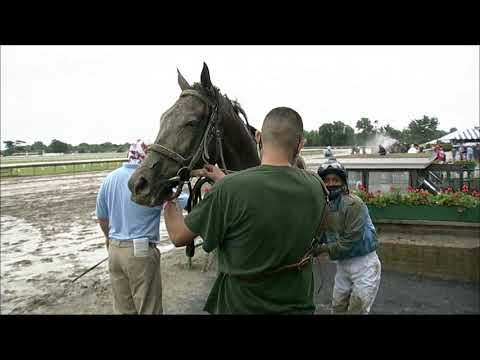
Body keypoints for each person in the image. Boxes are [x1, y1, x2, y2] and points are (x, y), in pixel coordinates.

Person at [163, 107, 328, 314]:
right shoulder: (317, 186)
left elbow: (179, 236)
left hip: (240, 307)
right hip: (298, 306)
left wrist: (168, 198)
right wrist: (226, 181)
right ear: (301, 143)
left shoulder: (229, 190)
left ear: (258, 137)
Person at [96, 139, 187, 314]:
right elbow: (182, 200)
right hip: (141, 253)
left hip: (115, 251)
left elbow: (102, 216)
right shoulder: (150, 181)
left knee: (123, 309)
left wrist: (109, 238)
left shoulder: (110, 178)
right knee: (149, 308)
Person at [313, 158, 381, 314]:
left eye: (335, 180)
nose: (330, 184)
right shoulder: (324, 205)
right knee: (338, 307)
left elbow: (350, 241)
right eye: (327, 180)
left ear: (343, 182)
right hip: (343, 264)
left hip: (365, 264)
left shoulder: (354, 204)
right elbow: (321, 233)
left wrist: (321, 249)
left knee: (357, 309)